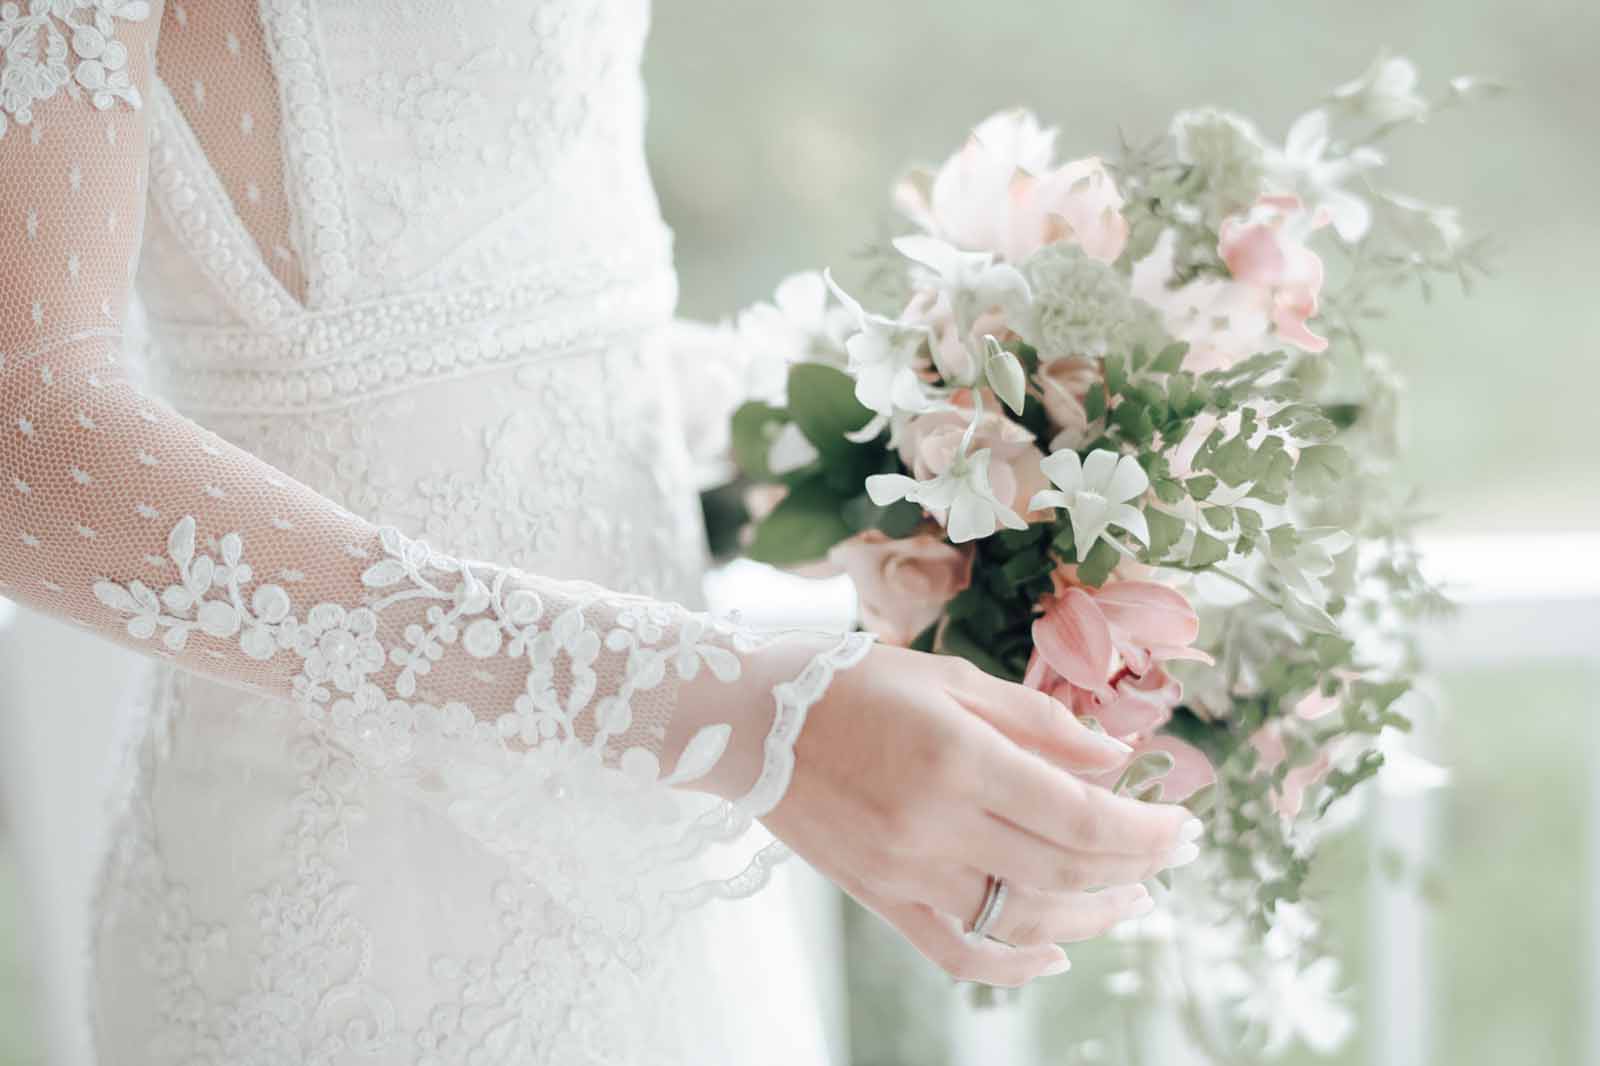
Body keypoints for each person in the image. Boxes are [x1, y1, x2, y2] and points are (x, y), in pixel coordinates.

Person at [0, 2, 1198, 1061]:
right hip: (364, 904)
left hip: (678, 846)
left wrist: (945, 458)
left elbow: (519, 327)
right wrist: (746, 715)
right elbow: (25, 435)